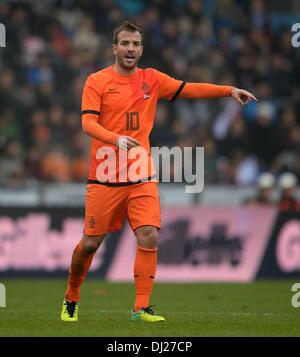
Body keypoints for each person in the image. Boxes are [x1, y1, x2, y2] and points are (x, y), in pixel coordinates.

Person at [60, 20, 256, 322]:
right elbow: (87, 124)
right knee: (90, 244)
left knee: (149, 235)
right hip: (105, 178)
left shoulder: (152, 79)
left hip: (141, 176)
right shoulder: (96, 81)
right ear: (114, 48)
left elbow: (188, 89)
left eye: (136, 44)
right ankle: (71, 296)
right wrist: (115, 139)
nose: (130, 49)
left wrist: (228, 91)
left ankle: (141, 308)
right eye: (125, 43)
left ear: (141, 49)